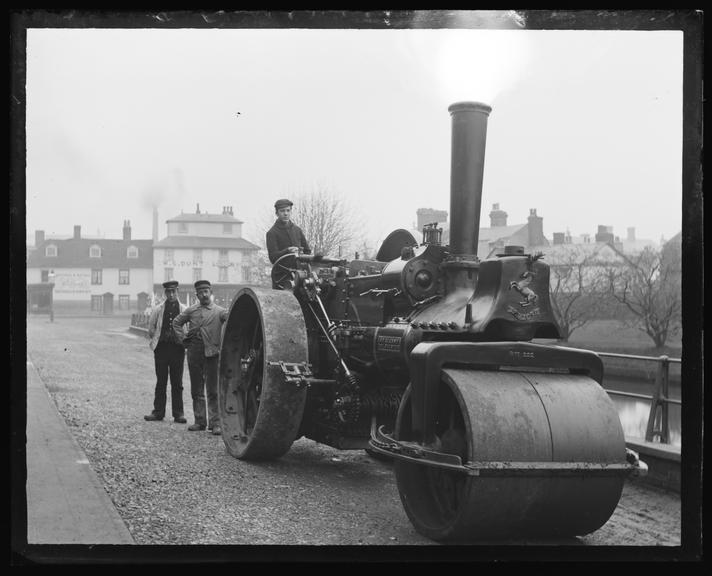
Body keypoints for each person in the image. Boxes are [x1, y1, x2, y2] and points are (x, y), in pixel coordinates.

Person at [172, 280, 228, 435]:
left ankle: (216, 423)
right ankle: (200, 421)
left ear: (210, 293)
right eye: (201, 292)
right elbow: (176, 323)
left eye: (206, 291)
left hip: (213, 353)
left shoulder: (220, 311)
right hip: (194, 352)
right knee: (197, 389)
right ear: (196, 295)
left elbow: (232, 319)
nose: (204, 295)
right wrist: (183, 339)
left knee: (213, 390)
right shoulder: (191, 311)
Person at [144, 280, 188, 424]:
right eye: (168, 292)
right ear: (165, 293)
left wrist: (182, 341)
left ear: (177, 291)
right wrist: (157, 343)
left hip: (177, 350)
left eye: (173, 291)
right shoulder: (158, 309)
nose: (170, 295)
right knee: (161, 381)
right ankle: (158, 412)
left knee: (177, 383)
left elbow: (188, 328)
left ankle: (178, 414)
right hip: (161, 350)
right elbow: (151, 329)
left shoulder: (184, 309)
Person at [265, 198, 311, 265]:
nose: (285, 213)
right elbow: (273, 258)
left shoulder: (297, 230)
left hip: (300, 273)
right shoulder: (272, 233)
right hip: (282, 273)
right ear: (277, 213)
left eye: (288, 210)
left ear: (291, 212)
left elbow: (307, 251)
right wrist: (287, 251)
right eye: (282, 211)